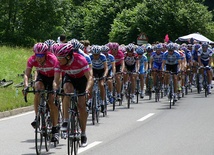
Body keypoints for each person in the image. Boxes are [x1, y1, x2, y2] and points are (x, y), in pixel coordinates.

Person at [53, 43, 93, 147]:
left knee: (81, 106)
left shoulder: (81, 60)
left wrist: (88, 90)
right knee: (67, 90)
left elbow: (90, 78)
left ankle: (83, 134)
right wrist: (55, 89)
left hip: (81, 80)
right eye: (58, 57)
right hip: (70, 78)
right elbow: (56, 80)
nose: (59, 60)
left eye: (61, 58)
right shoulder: (59, 63)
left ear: (68, 56)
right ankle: (65, 120)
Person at [23, 43, 59, 142]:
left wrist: (55, 89)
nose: (38, 58)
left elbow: (57, 77)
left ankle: (55, 129)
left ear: (46, 54)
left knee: (51, 101)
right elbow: (27, 74)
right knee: (37, 89)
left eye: (41, 56)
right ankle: (37, 117)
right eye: (37, 55)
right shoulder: (32, 59)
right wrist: (26, 85)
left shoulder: (53, 59)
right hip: (42, 76)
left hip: (53, 78)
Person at [89, 45, 108, 112]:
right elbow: (89, 68)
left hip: (101, 71)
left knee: (102, 85)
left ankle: (102, 102)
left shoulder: (103, 57)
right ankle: (90, 101)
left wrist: (105, 76)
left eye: (97, 55)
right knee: (90, 84)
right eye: (94, 55)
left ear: (100, 53)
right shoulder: (90, 56)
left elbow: (106, 68)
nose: (95, 56)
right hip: (93, 70)